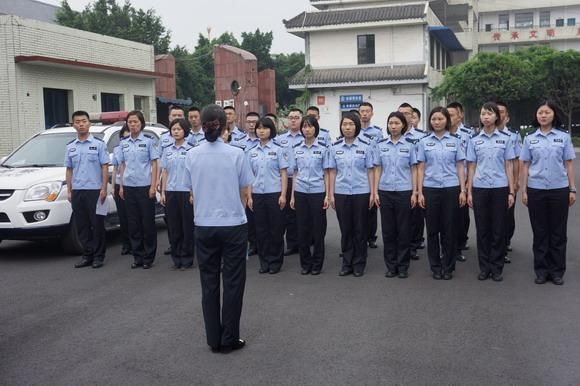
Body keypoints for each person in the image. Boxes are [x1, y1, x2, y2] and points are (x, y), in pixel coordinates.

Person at [184, 104, 253, 353]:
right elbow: (245, 189)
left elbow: (189, 189)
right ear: (225, 126)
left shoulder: (191, 155)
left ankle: (214, 338)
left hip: (203, 225)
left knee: (209, 283)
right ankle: (230, 338)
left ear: (201, 126)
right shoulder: (237, 153)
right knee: (233, 283)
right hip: (233, 224)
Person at [520, 100, 576, 285]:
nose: (543, 115)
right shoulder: (529, 138)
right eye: (540, 113)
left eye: (547, 112)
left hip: (559, 189)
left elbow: (568, 164)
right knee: (540, 231)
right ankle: (542, 270)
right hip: (536, 189)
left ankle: (557, 271)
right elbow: (525, 165)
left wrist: (572, 188)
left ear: (554, 115)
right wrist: (524, 190)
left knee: (558, 232)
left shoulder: (563, 137)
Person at [466, 102, 515, 282]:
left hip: (500, 188)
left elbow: (509, 165)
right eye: (483, 114)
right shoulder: (474, 140)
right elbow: (471, 166)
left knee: (498, 229)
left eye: (489, 113)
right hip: (480, 188)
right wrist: (469, 191)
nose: (486, 117)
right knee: (483, 229)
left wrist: (511, 191)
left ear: (497, 117)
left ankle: (497, 267)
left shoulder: (505, 139)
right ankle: (484, 267)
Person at [417, 107, 466, 280]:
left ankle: (448, 266)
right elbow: (421, 168)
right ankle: (435, 266)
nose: (436, 122)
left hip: (451, 188)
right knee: (432, 230)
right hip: (430, 189)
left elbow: (460, 166)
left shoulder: (455, 141)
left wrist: (463, 190)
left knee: (449, 229)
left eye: (440, 119)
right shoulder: (423, 142)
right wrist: (419, 192)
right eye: (433, 119)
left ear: (447, 120)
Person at [328, 112, 376, 277]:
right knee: (346, 229)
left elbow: (371, 171)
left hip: (361, 192)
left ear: (356, 126)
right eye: (344, 124)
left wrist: (372, 193)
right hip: (341, 192)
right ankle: (347, 263)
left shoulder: (366, 146)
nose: (347, 127)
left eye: (351, 124)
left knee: (360, 229)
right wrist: (331, 194)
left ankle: (359, 263)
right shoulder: (335, 147)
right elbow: (332, 172)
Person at [373, 111, 418, 279]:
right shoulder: (381, 145)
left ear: (403, 126)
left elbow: (414, 169)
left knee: (404, 229)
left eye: (397, 123)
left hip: (404, 191)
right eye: (391, 123)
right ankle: (391, 266)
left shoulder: (410, 145)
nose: (393, 126)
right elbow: (378, 169)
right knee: (388, 230)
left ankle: (403, 266)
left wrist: (415, 192)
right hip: (385, 191)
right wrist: (375, 191)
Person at [65, 110, 109, 269]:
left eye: (84, 121)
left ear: (89, 123)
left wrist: (104, 188)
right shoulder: (70, 147)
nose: (81, 124)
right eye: (77, 122)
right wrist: (69, 190)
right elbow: (69, 169)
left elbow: (105, 167)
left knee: (96, 224)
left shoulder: (98, 144)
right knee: (82, 225)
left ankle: (98, 256)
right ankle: (87, 254)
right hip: (78, 191)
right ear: (73, 125)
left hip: (95, 191)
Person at [247, 118, 289, 274]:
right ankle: (264, 262)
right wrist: (250, 197)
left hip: (274, 194)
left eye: (264, 128)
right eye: (259, 128)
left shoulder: (278, 150)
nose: (261, 131)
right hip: (257, 194)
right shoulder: (252, 152)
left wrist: (283, 194)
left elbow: (283, 173)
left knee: (276, 229)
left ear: (271, 130)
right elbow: (249, 176)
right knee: (261, 230)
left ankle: (275, 261)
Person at [119, 110, 159, 269]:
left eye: (135, 122)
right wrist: (121, 185)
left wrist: (153, 185)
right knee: (133, 223)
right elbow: (122, 165)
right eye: (130, 122)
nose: (133, 125)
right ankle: (138, 256)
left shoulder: (149, 141)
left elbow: (155, 163)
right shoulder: (124, 143)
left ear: (141, 123)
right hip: (129, 186)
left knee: (147, 223)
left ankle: (148, 257)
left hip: (144, 187)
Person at [290, 116, 330, 275]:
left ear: (316, 129)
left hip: (317, 191)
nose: (307, 129)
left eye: (310, 126)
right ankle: (305, 263)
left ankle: (317, 264)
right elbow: (295, 173)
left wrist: (327, 195)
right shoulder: (297, 149)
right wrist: (292, 196)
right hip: (300, 192)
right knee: (302, 229)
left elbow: (327, 173)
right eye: (304, 127)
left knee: (318, 229)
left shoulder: (323, 148)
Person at [160, 118, 194, 270]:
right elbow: (165, 172)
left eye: (179, 129)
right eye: (173, 129)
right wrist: (163, 192)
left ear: (185, 131)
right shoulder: (167, 150)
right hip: (171, 191)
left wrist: (193, 193)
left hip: (186, 191)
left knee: (187, 226)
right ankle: (176, 257)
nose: (176, 132)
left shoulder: (192, 149)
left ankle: (187, 258)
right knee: (174, 227)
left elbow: (194, 172)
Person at [399, 102, 427, 259]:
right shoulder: (391, 134)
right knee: (401, 219)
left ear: (412, 116)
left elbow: (423, 163)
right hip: (398, 184)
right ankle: (401, 246)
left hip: (416, 182)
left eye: (407, 113)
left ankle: (413, 246)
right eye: (401, 113)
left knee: (415, 217)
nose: (404, 116)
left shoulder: (422, 137)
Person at [231, 112, 261, 256]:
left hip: (261, 184)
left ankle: (262, 243)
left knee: (260, 217)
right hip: (243, 185)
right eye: (248, 121)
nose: (251, 124)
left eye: (254, 122)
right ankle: (252, 242)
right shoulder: (239, 141)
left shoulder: (265, 140)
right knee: (247, 215)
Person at [496, 101, 521, 263]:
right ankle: (496, 246)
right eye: (495, 111)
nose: (499, 114)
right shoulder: (479, 135)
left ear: (507, 116)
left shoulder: (513, 135)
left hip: (508, 182)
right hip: (489, 184)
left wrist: (516, 181)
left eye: (502, 112)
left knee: (506, 216)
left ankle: (504, 244)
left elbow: (517, 160)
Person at [447, 102, 472, 263]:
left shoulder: (468, 134)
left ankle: (459, 244)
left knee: (461, 218)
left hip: (463, 181)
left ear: (460, 116)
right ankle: (450, 248)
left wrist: (469, 181)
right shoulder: (439, 133)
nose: (449, 118)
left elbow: (471, 160)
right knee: (446, 219)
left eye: (452, 115)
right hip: (445, 182)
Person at [277, 108, 304, 256]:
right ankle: (291, 243)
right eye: (290, 117)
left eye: (296, 117)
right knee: (286, 212)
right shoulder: (280, 140)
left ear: (302, 119)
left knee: (299, 212)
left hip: (301, 180)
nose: (293, 120)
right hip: (284, 180)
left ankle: (301, 242)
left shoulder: (305, 137)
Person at [159, 105, 185, 256]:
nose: (177, 118)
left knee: (186, 221)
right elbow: (163, 167)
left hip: (185, 188)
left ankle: (187, 248)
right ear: (169, 118)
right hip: (169, 186)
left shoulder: (190, 144)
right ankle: (174, 246)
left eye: (180, 115)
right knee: (172, 221)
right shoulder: (163, 138)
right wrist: (161, 188)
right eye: (174, 115)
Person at [358, 102, 383, 249]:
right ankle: (359, 236)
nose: (365, 114)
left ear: (372, 114)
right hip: (359, 171)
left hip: (373, 170)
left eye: (367, 111)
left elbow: (380, 151)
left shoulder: (377, 132)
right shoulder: (353, 129)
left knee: (372, 205)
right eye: (362, 111)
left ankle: (371, 237)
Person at [111, 124, 131, 255]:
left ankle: (136, 243)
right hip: (119, 185)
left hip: (132, 184)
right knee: (123, 217)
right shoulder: (117, 149)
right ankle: (126, 244)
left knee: (133, 217)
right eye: (123, 138)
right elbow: (115, 169)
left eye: (128, 137)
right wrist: (113, 187)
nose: (126, 140)